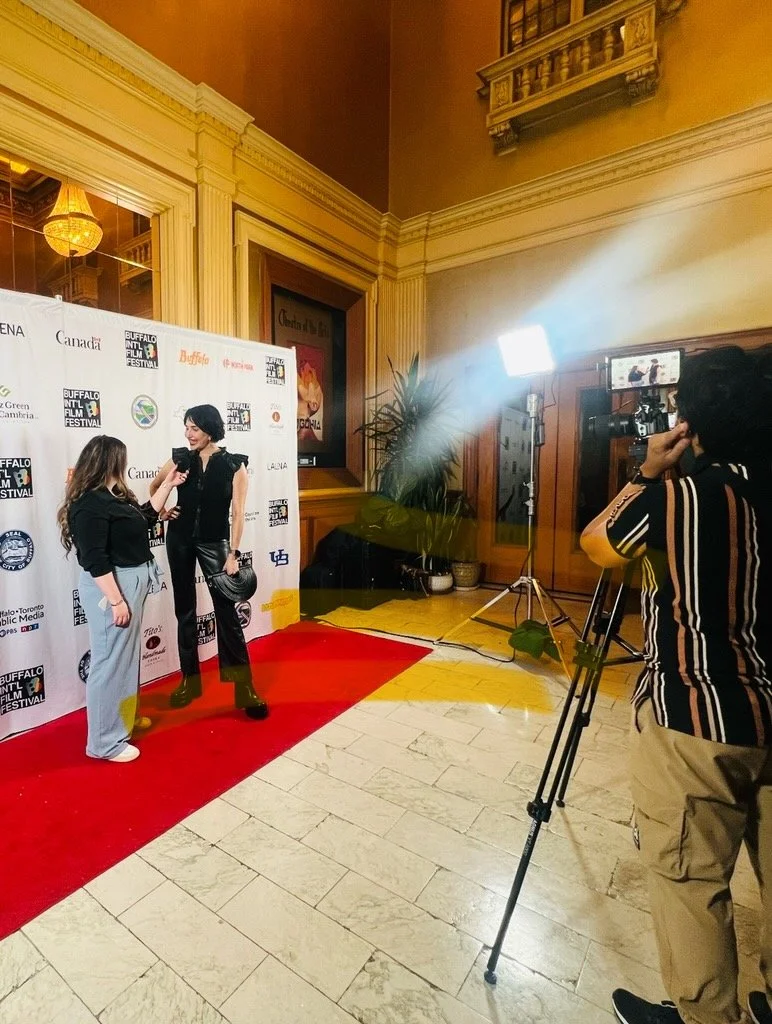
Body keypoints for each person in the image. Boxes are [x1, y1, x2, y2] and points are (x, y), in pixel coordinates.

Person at [580, 345, 772, 1024]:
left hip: (697, 718)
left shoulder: (678, 499)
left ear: (691, 424)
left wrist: (647, 471)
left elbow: (597, 544)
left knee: (690, 883)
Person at [58, 436, 187, 763]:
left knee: (124, 658)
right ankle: (104, 743)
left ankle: (122, 720)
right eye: (121, 459)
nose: (125, 465)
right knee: (110, 661)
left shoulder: (113, 496)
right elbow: (94, 559)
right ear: (110, 461)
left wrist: (168, 484)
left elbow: (145, 517)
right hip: (113, 587)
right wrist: (116, 601)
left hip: (128, 582)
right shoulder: (89, 503)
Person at [150, 404, 268, 719]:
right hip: (179, 539)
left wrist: (233, 553)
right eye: (186, 427)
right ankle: (189, 682)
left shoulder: (234, 464)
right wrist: (164, 513)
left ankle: (244, 688)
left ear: (210, 429)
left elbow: (239, 512)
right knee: (185, 610)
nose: (188, 434)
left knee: (227, 612)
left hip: (216, 543)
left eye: (195, 428)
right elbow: (156, 487)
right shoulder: (180, 459)